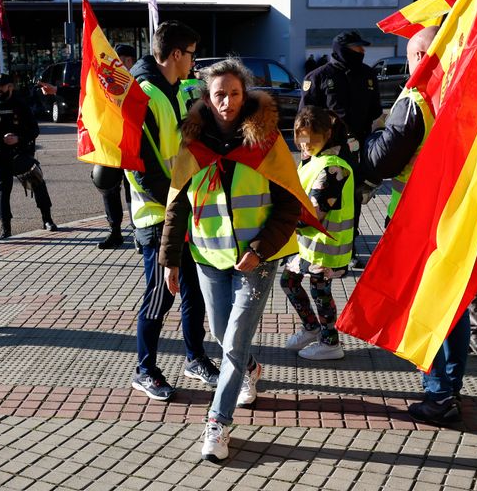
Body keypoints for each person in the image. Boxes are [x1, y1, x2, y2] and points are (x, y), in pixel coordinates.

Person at [362, 26, 477, 423]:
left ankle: (441, 395)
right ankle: (447, 388)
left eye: (415, 55)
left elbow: (382, 161)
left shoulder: (418, 100)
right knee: (454, 305)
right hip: (468, 220)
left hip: (424, 221)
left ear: (427, 55)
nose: (413, 63)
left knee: (435, 306)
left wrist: (370, 138)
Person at [160, 58, 306, 462]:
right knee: (225, 336)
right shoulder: (191, 141)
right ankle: (251, 369)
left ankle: (217, 423)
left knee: (234, 340)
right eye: (219, 94)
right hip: (208, 256)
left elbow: (289, 204)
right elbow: (176, 207)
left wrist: (259, 248)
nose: (227, 102)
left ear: (246, 95)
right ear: (207, 96)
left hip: (255, 259)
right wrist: (170, 261)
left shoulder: (267, 140)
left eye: (234, 94)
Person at [126, 21, 220, 401]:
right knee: (159, 294)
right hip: (157, 217)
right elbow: (138, 167)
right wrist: (174, 207)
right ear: (177, 54)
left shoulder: (176, 90)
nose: (194, 62)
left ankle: (194, 357)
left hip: (186, 211)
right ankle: (144, 370)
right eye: (193, 54)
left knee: (193, 291)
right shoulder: (145, 95)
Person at [301, 30, 381, 268]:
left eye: (362, 48)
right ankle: (311, 246)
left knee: (352, 199)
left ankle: (350, 245)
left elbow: (376, 114)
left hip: (358, 151)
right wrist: (307, 153)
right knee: (322, 200)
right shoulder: (318, 76)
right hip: (328, 153)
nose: (362, 52)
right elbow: (305, 118)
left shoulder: (368, 75)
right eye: (357, 48)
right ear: (342, 49)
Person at [280, 105, 353, 361]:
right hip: (307, 244)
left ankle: (330, 341)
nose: (306, 146)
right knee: (288, 281)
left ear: (327, 134)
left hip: (325, 245)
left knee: (320, 290)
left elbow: (314, 212)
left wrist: (279, 221)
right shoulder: (312, 161)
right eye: (302, 140)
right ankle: (312, 327)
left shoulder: (333, 167)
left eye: (312, 141)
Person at [0, 72, 57, 237]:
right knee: (2, 191)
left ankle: (47, 219)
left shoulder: (21, 105)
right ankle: (6, 228)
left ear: (10, 86)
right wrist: (1, 139)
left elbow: (34, 130)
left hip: (21, 153)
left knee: (38, 182)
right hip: (2, 155)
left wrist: (18, 138)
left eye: (2, 85)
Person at [93, 43, 137, 249]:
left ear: (129, 60)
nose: (114, 63)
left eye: (118, 59)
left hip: (133, 145)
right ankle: (115, 231)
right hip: (111, 144)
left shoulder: (140, 81)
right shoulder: (109, 80)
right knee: (107, 186)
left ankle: (139, 232)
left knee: (134, 190)